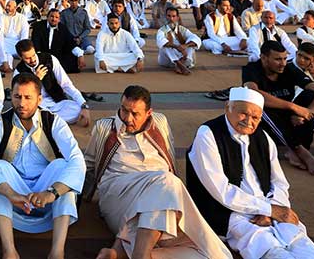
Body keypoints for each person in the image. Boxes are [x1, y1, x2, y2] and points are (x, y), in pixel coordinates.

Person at [85, 86, 230, 259]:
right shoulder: (104, 127)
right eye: (124, 110)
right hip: (119, 194)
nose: (127, 118)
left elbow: (169, 154)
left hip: (159, 196)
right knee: (166, 181)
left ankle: (120, 251)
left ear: (149, 113)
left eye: (135, 114)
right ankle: (140, 254)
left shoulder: (160, 122)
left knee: (210, 254)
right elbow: (89, 164)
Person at [186, 87, 314, 259]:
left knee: (297, 238)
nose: (249, 121)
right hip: (228, 211)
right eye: (243, 113)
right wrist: (267, 210)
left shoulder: (263, 137)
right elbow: (221, 190)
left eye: (255, 117)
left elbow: (279, 182)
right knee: (267, 247)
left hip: (267, 205)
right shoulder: (208, 134)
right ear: (228, 107)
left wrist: (273, 208)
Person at [0, 72, 85, 259]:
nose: (22, 103)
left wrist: (51, 193)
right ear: (11, 96)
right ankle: (9, 251)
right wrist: (12, 194)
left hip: (46, 198)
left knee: (61, 165)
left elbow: (77, 159)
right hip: (14, 201)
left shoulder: (54, 121)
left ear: (39, 98)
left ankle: (57, 252)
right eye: (17, 97)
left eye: (28, 97)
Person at [242, 40, 314, 177]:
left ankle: (296, 148)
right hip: (264, 125)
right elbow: (253, 93)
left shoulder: (289, 69)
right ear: (264, 58)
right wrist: (293, 107)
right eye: (277, 59)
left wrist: (307, 113)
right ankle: (301, 151)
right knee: (259, 106)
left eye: (284, 58)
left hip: (290, 120)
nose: (283, 63)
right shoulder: (252, 69)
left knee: (312, 97)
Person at [13, 39, 90, 127]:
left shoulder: (49, 59)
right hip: (37, 105)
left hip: (56, 102)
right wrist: (36, 79)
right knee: (25, 113)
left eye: (33, 55)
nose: (32, 60)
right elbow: (21, 97)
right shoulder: (19, 72)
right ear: (20, 57)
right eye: (27, 58)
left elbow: (66, 85)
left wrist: (84, 106)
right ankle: (50, 121)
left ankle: (46, 121)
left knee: (77, 109)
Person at [155, 6, 201, 74]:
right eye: (169, 16)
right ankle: (179, 64)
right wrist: (177, 47)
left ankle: (180, 63)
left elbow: (196, 38)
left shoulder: (182, 29)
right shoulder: (162, 30)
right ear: (165, 17)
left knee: (191, 42)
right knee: (164, 45)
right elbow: (160, 41)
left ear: (177, 17)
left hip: (183, 57)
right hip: (166, 61)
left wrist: (185, 45)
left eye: (173, 16)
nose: (171, 18)